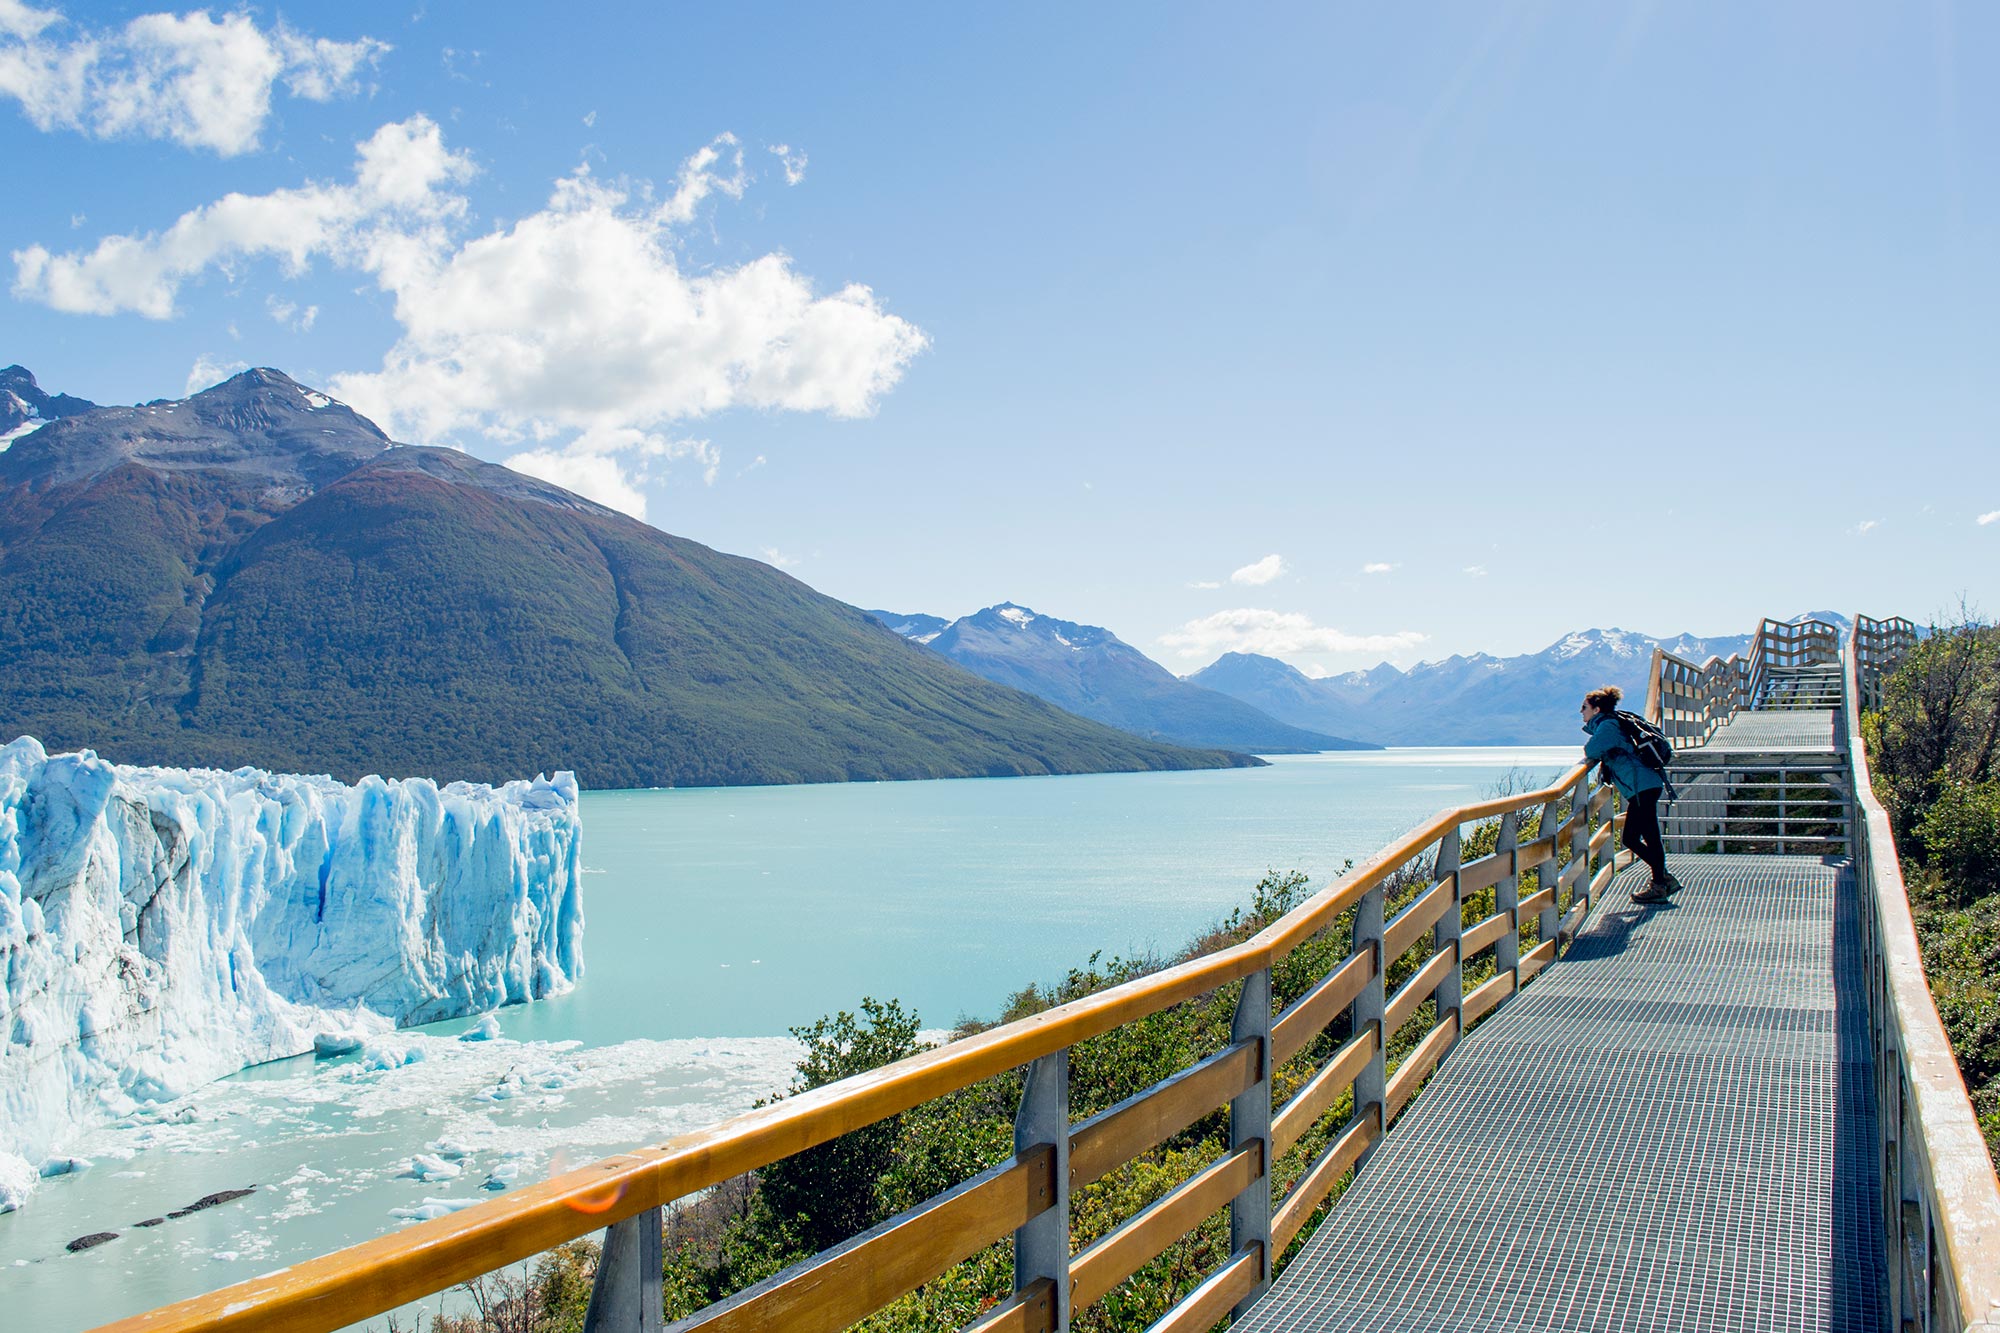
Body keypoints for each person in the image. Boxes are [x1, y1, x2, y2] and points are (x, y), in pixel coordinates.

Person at [1579, 685, 1676, 901]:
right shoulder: (1613, 722)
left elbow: (1591, 750)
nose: (1581, 711)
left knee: (1635, 838)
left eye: (1584, 707)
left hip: (1641, 786)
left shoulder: (1608, 725)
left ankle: (1661, 882)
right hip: (1644, 784)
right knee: (1645, 836)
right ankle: (1662, 880)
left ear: (1596, 710)